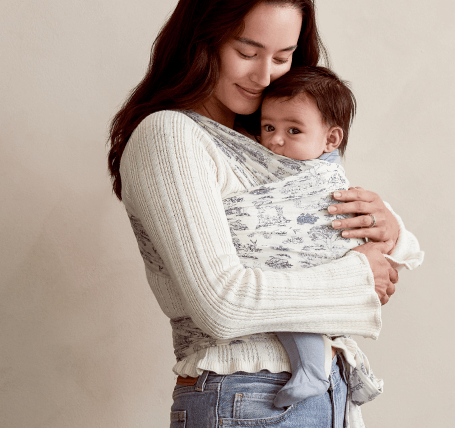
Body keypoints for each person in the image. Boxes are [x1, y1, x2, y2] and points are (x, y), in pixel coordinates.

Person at [108, 1, 404, 426]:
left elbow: (312, 243)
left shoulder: (271, 138)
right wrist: (356, 278)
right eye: (247, 53)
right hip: (248, 396)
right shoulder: (169, 136)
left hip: (330, 391)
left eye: (282, 57)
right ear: (201, 42)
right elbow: (222, 304)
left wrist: (382, 225)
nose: (264, 76)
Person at [240, 65, 424, 409]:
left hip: (323, 271)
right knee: (289, 298)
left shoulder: (332, 183)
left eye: (293, 130)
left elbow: (394, 244)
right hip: (303, 291)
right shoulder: (278, 161)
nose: (275, 140)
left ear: (331, 139)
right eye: (268, 127)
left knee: (293, 301)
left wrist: (389, 236)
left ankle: (313, 368)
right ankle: (314, 367)